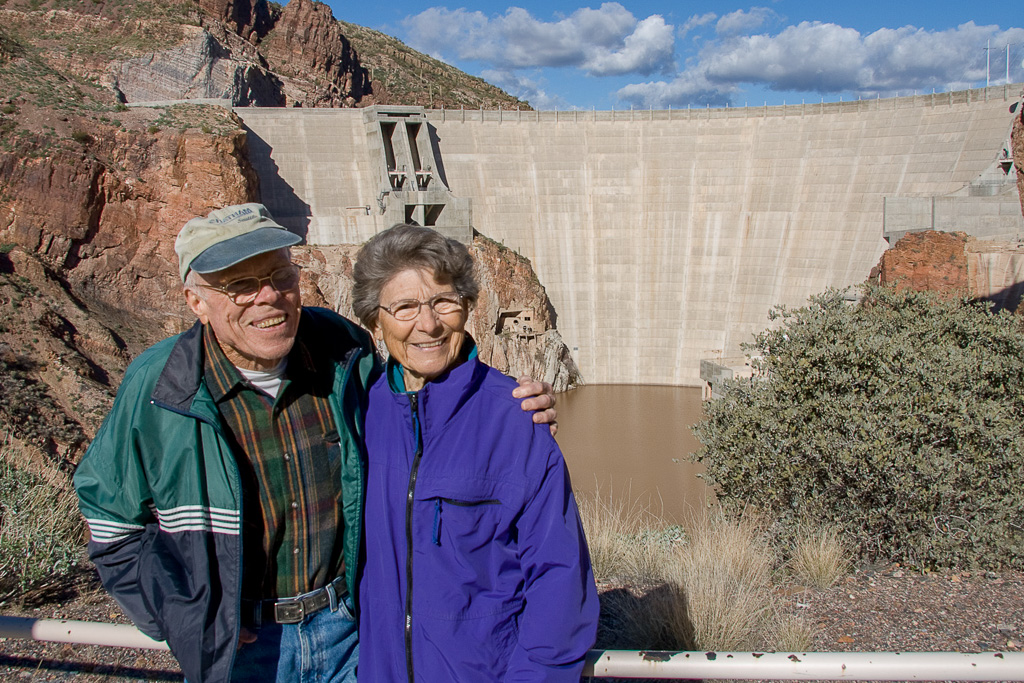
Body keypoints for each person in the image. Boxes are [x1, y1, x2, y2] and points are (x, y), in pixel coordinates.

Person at [73, 204, 557, 683]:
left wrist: (505, 403)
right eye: (240, 285)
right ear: (197, 302)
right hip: (243, 649)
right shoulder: (162, 389)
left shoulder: (340, 351)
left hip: (350, 633)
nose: (268, 298)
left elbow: (418, 393)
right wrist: (180, 612)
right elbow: (111, 521)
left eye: (279, 275)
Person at [352, 224, 599, 681]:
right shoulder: (356, 415)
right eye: (404, 307)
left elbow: (560, 580)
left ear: (466, 307)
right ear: (374, 320)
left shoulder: (517, 420)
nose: (427, 324)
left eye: (443, 301)